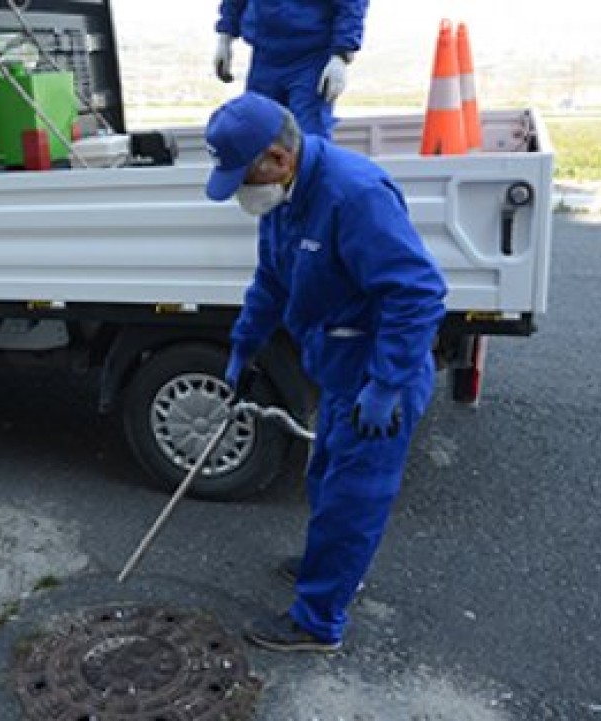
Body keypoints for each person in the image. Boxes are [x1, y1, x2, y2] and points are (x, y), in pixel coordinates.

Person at [205, 92, 446, 652]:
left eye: (245, 177)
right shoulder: (285, 200)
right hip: (338, 370)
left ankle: (318, 621)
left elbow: (418, 294)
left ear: (278, 158)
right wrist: (243, 350)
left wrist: (386, 384)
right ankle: (331, 567)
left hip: (378, 375)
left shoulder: (354, 195)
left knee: (352, 498)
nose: (243, 191)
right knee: (324, 478)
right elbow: (271, 282)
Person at [213, 0, 369, 138]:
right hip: (264, 58)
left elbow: (352, 5)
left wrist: (340, 56)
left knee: (310, 140)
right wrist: (225, 38)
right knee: (258, 136)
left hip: (311, 60)